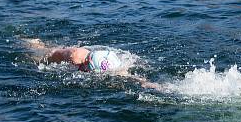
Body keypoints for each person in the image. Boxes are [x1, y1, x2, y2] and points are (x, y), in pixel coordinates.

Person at [23, 38, 160, 89]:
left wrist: (146, 83)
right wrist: (37, 63)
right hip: (64, 53)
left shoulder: (112, 65)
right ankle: (31, 43)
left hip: (101, 56)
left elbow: (124, 74)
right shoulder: (75, 57)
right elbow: (52, 55)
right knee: (41, 52)